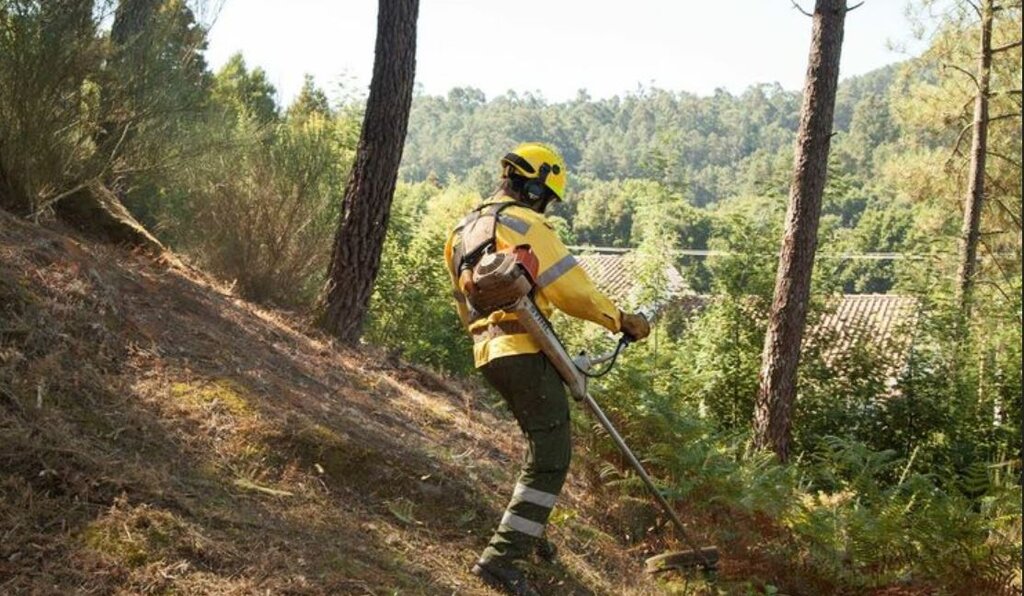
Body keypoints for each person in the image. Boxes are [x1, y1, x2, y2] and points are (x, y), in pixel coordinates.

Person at [444, 142, 651, 595]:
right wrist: (622, 321)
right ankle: (501, 560)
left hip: (489, 353)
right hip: (524, 348)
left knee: (540, 443)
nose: (546, 205)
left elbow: (465, 307)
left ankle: (527, 533)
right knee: (552, 456)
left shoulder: (462, 230)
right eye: (547, 197)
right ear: (535, 188)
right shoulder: (524, 223)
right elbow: (571, 291)